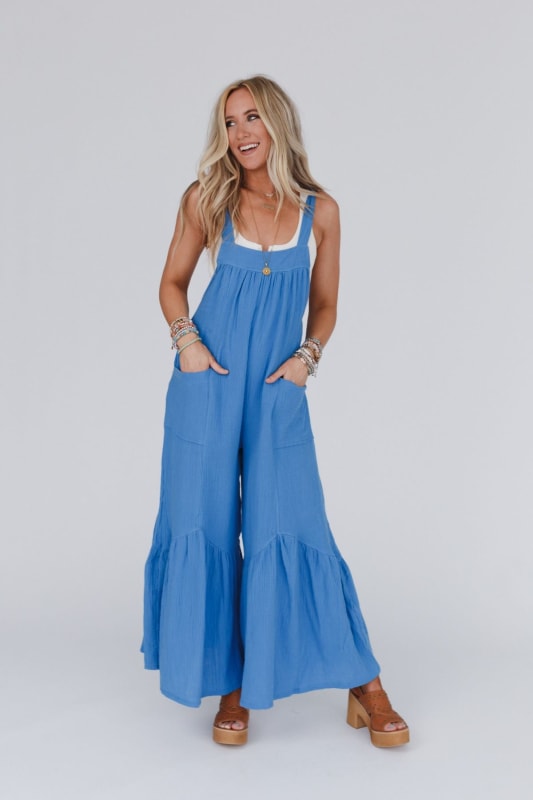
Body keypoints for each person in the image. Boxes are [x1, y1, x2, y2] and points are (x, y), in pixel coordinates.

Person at [140, 75, 409, 748]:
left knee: (291, 523)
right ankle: (232, 685)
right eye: (230, 121)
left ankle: (365, 683)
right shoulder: (206, 199)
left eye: (252, 117)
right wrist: (188, 345)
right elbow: (171, 284)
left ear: (278, 123)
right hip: (207, 384)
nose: (240, 132)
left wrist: (306, 359)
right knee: (205, 524)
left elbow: (326, 304)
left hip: (275, 389)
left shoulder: (321, 212)